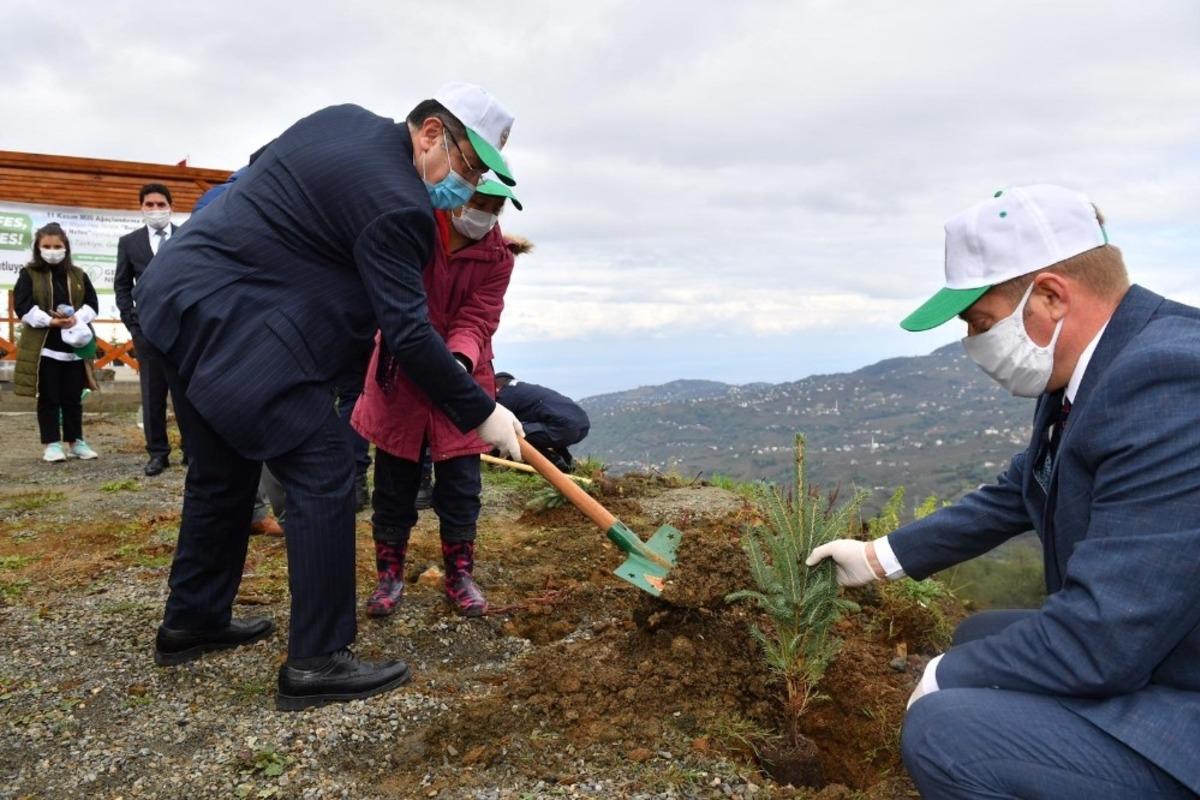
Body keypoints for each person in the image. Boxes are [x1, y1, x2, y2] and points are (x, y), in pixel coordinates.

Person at [133, 83, 525, 712]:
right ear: (431, 134)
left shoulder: (340, 121)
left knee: (222, 472)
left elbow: (253, 175)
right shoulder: (399, 205)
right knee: (324, 472)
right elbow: (407, 331)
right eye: (471, 165)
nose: (469, 184)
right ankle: (318, 660)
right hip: (236, 324)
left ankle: (193, 622)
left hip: (172, 298)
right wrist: (481, 410)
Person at [806, 185, 1200, 799]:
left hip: (1184, 696)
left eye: (981, 323)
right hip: (1167, 648)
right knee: (978, 638)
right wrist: (877, 557)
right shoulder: (1094, 367)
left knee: (944, 732)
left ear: (1049, 295)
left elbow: (1103, 641)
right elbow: (1026, 486)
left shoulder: (1169, 385)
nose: (973, 344)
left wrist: (943, 677)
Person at [353, 179, 524, 618]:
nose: (481, 214)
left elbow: (478, 317)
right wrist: (429, 359)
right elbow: (400, 308)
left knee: (462, 487)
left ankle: (459, 574)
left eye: (492, 207)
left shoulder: (497, 258)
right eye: (475, 202)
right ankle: (388, 577)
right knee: (394, 483)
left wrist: (459, 365)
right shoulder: (415, 232)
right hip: (401, 372)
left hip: (465, 380)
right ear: (456, 198)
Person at [13, 223, 101, 462]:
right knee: (49, 396)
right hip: (44, 346)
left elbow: (93, 304)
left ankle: (76, 442)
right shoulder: (29, 274)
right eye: (47, 246)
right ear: (38, 248)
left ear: (66, 247)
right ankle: (52, 444)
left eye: (57, 246)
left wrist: (76, 318)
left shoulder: (78, 274)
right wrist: (49, 322)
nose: (52, 250)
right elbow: (22, 306)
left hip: (74, 347)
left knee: (73, 397)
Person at [114, 183, 185, 476]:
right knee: (152, 394)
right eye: (150, 204)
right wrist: (133, 323)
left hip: (184, 331)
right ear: (141, 207)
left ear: (170, 206)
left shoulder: (187, 236)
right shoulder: (130, 242)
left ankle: (192, 450)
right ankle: (158, 453)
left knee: (186, 395)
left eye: (160, 204)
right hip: (148, 332)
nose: (156, 209)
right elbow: (121, 285)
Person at [494, 372, 590, 472]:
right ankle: (567, 462)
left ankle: (555, 463)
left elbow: (497, 426)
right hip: (582, 425)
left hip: (564, 427)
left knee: (513, 433)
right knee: (539, 432)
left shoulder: (504, 394)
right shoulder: (523, 389)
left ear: (496, 386)